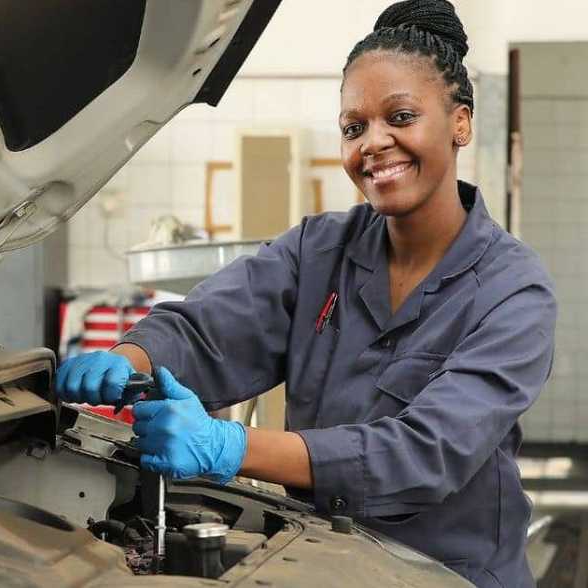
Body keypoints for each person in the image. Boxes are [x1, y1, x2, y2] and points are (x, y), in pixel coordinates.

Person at [55, 1, 556, 585]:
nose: (374, 143)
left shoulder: (514, 291)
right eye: (354, 127)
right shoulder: (320, 249)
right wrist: (127, 361)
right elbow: (210, 328)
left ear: (460, 123)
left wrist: (228, 446)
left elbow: (424, 453)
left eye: (401, 116)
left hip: (450, 573)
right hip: (322, 559)